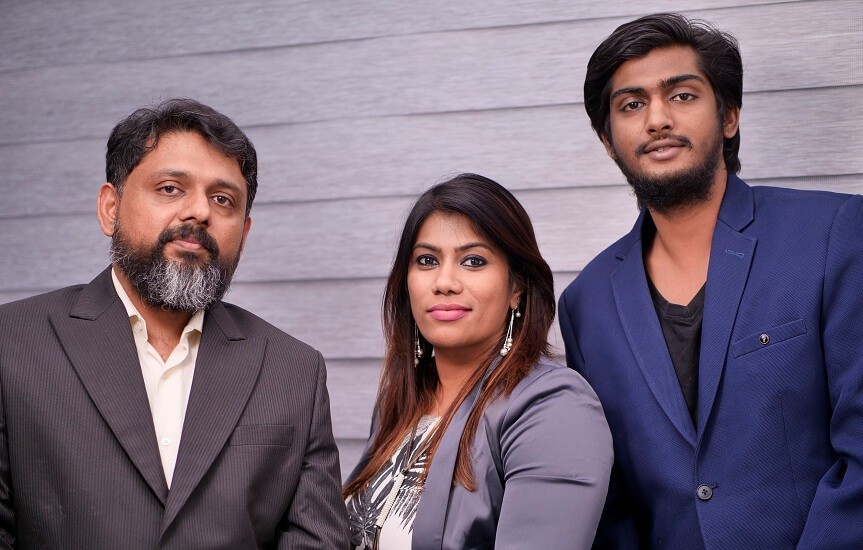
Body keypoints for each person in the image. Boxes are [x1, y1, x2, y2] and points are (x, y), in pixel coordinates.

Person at [558, 12, 863, 549]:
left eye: (682, 95)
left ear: (729, 117)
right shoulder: (586, 304)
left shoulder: (832, 234)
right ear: (608, 140)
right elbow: (613, 504)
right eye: (631, 105)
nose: (657, 119)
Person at [0, 98, 348, 548]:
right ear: (110, 208)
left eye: (222, 199)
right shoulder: (13, 342)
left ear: (243, 234)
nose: (199, 212)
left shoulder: (294, 371)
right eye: (170, 188)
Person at [344, 173, 613, 549]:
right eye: (426, 260)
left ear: (516, 287)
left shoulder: (554, 407)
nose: (444, 282)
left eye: (473, 261)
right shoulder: (402, 401)